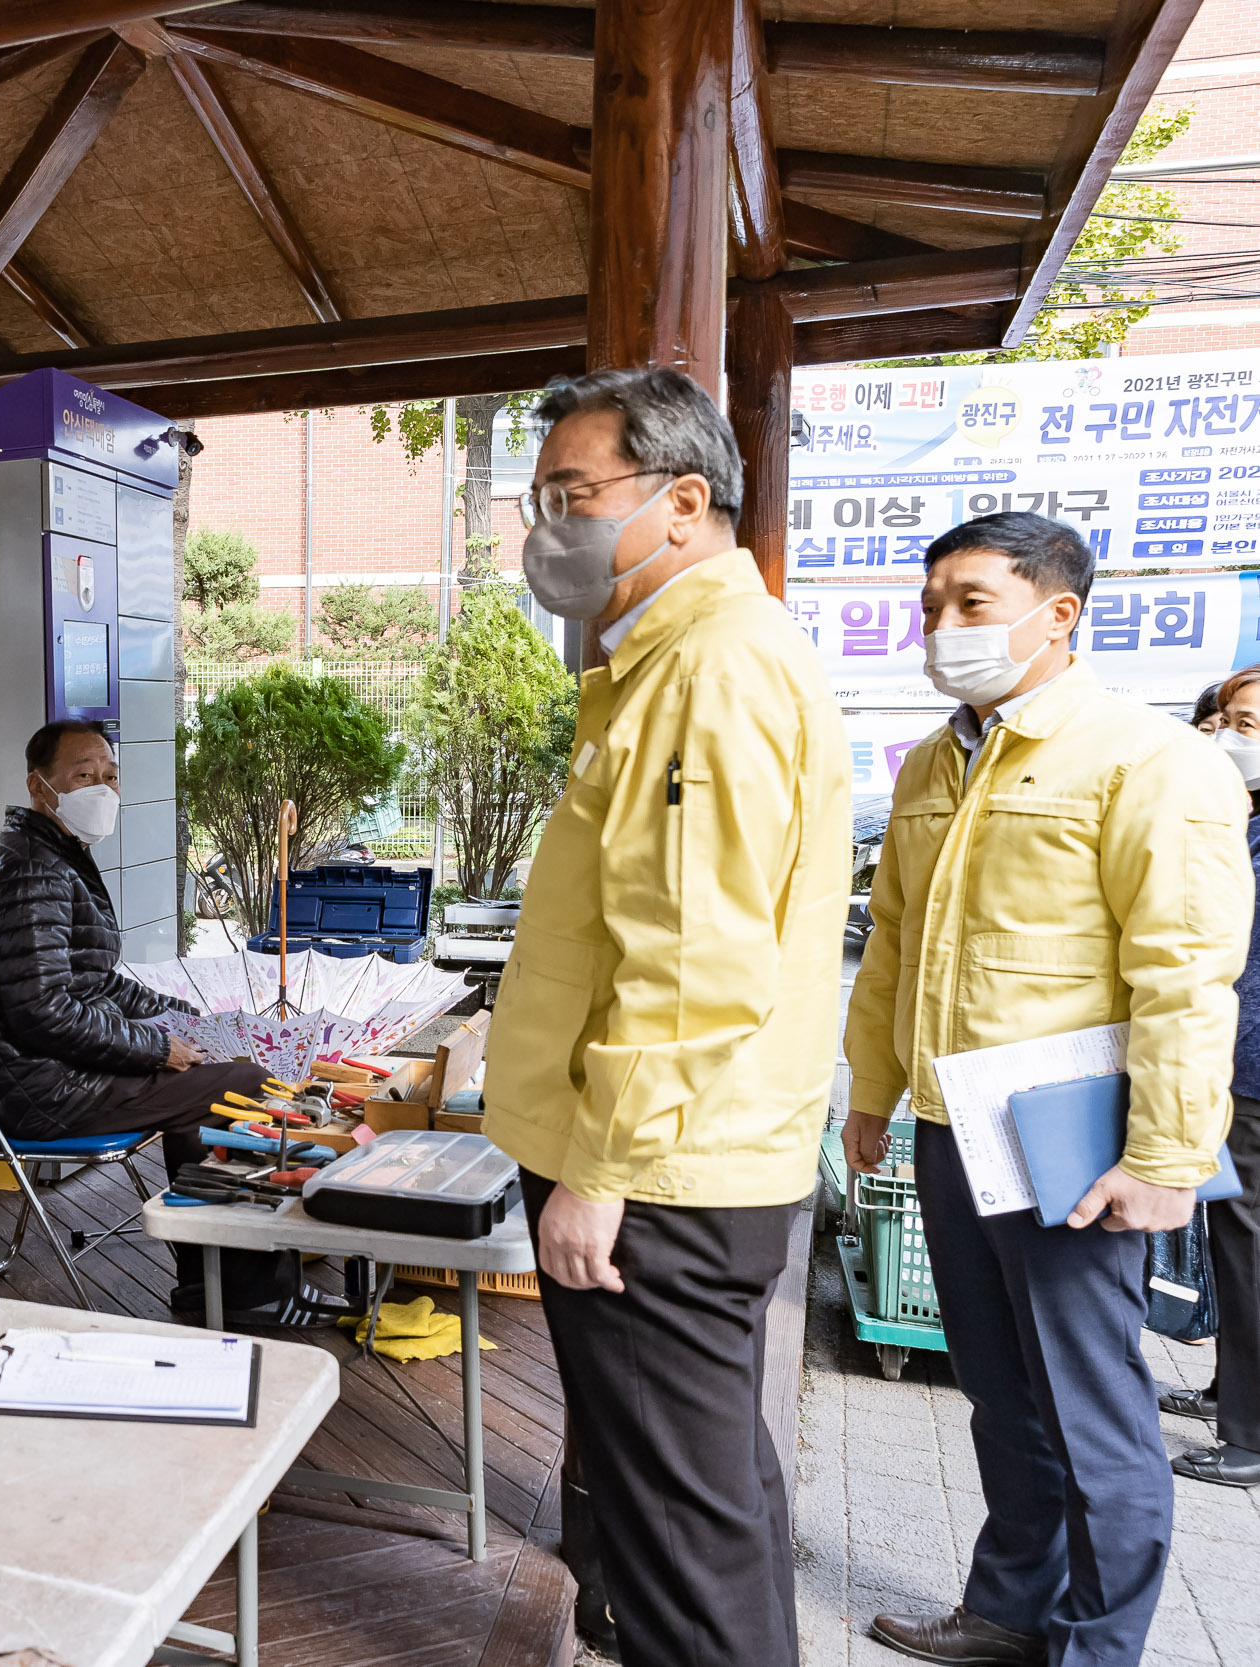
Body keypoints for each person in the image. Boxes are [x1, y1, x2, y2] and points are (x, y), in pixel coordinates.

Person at [479, 367, 850, 1667]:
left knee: (682, 1548)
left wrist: (601, 1166)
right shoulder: (669, 664)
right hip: (681, 1166)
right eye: (542, 498)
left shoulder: (712, 669)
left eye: (573, 495)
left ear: (684, 501)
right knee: (707, 1505)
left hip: (659, 1181)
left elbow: (695, 957)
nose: (547, 526)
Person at [844, 511, 1250, 1665]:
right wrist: (872, 1089)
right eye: (931, 606)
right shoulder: (930, 759)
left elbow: (1184, 968)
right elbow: (895, 947)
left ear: (1056, 611)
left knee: (1091, 1410)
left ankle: (1093, 1646)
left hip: (1069, 1139)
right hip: (946, 1120)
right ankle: (1009, 1610)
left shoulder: (1147, 757)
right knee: (995, 1391)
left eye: (970, 602)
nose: (943, 628)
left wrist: (1166, 1157)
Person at [0, 720, 277, 1309]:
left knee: (204, 1087)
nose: (101, 789)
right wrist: (156, 1048)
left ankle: (216, 1285)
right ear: (39, 785)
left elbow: (96, 984)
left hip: (56, 1073)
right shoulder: (31, 871)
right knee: (248, 1085)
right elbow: (43, 1013)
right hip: (46, 1089)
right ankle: (244, 1289)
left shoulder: (50, 853)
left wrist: (187, 1020)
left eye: (109, 776)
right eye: (83, 776)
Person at [1162, 663, 1260, 1490]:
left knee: (1250, 1243)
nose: (1230, 736)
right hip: (1235, 1061)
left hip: (1253, 1065)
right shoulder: (1242, 820)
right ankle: (1233, 1388)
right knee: (1232, 1240)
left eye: (1250, 724)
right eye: (1226, 719)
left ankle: (1251, 1436)